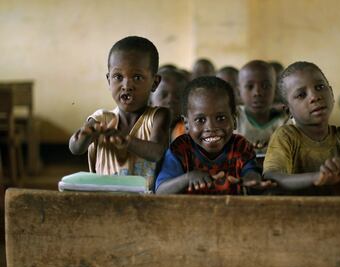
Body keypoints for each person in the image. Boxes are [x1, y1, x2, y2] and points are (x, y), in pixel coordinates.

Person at [263, 61, 340, 195]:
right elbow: (272, 177)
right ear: (288, 111)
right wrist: (316, 177)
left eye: (320, 87)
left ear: (332, 93)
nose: (315, 97)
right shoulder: (285, 136)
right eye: (301, 95)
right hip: (297, 213)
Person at [69, 36, 170, 191]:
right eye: (118, 77)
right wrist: (85, 135)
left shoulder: (158, 116)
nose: (127, 85)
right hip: (104, 202)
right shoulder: (100, 118)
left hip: (146, 205)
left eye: (137, 77)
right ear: (109, 80)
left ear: (154, 83)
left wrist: (126, 140)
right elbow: (75, 149)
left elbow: (157, 152)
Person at [155, 76, 273, 195]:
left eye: (221, 118)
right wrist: (188, 178)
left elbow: (251, 173)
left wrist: (251, 180)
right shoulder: (180, 149)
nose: (211, 127)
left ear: (234, 120)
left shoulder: (240, 146)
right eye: (200, 120)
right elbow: (160, 191)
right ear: (186, 124)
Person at [235, 60, 286, 157]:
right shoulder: (234, 118)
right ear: (239, 92)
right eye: (250, 86)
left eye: (265, 86)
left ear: (275, 90)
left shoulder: (286, 121)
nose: (257, 92)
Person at [150, 67, 188, 141]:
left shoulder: (192, 133)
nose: (170, 100)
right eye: (163, 95)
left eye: (178, 96)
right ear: (150, 101)